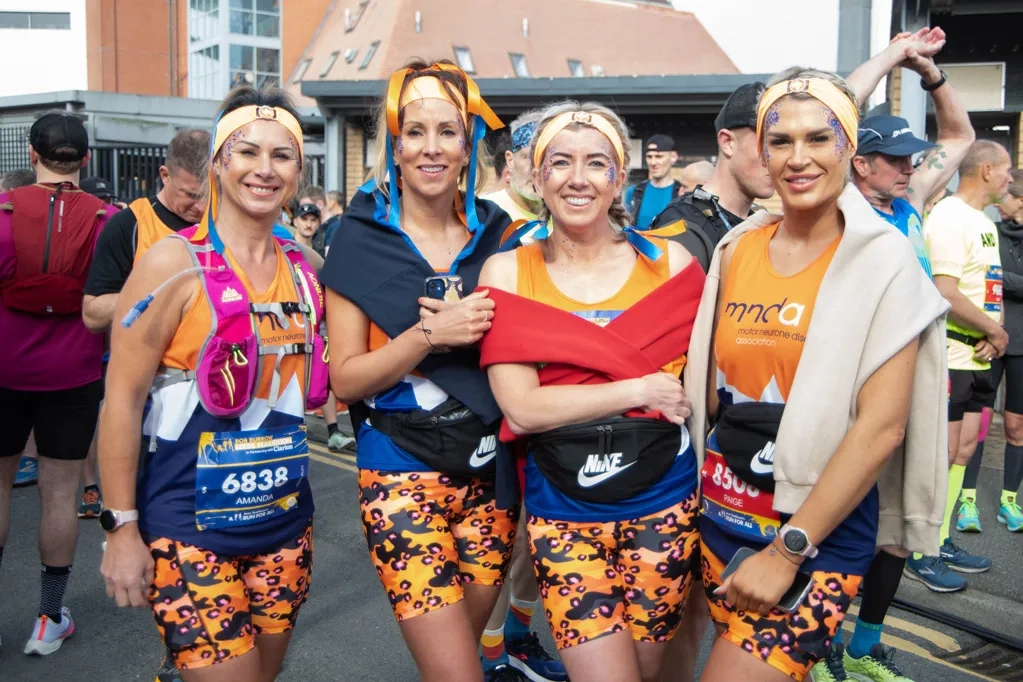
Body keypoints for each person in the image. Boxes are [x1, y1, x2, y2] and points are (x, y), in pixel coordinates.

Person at [684, 68, 949, 682]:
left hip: (812, 539)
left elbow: (881, 429)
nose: (798, 158)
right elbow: (715, 395)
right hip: (719, 520)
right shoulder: (737, 248)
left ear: (849, 148)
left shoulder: (883, 260)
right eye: (781, 141)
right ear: (762, 152)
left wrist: (787, 551)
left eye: (818, 139)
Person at [99, 86, 325, 681]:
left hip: (285, 526)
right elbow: (121, 399)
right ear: (219, 163)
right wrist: (120, 527)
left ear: (298, 172)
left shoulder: (306, 269)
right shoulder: (170, 263)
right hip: (187, 529)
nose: (264, 169)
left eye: (282, 155)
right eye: (247, 152)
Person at [478, 101, 705, 682]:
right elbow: (524, 409)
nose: (577, 178)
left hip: (664, 503)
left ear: (619, 177)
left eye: (596, 163)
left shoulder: (672, 264)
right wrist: (641, 387)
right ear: (536, 177)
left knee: (649, 672)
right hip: (563, 511)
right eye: (560, 162)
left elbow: (705, 388)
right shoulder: (507, 272)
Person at [321, 59, 519, 682]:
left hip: (491, 473)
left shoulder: (502, 236)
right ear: (395, 146)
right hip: (400, 470)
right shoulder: (358, 237)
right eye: (415, 131)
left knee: (457, 658)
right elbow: (345, 380)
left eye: (448, 131)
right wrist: (428, 335)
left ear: (468, 146)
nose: (431, 147)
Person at [807, 26, 975, 682]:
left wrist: (930, 73)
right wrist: (893, 54)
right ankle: (816, 646)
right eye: (894, 158)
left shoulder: (910, 201)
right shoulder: (838, 205)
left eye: (911, 159)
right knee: (832, 518)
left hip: (916, 388)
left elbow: (958, 135)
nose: (909, 167)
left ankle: (862, 647)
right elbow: (832, 111)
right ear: (858, 162)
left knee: (899, 530)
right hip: (851, 392)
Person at [0, 110, 117, 655]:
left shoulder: (3, 213)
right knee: (60, 493)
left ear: (32, 155)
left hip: (4, 370)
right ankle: (48, 618)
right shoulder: (108, 220)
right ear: (85, 159)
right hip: (74, 374)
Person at [913, 139, 1013, 588]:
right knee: (942, 453)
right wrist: (995, 332)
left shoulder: (984, 221)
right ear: (987, 170)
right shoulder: (950, 217)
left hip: (981, 355)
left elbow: (990, 286)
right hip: (953, 354)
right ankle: (920, 548)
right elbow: (946, 291)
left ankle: (940, 538)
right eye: (1006, 170)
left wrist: (995, 332)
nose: (1010, 179)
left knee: (965, 451)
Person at [647, 85, 775, 271]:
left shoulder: (760, 221)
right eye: (770, 143)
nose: (778, 158)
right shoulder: (682, 224)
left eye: (783, 144)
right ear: (727, 142)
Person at [987, 170, 1023, 533]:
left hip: (1022, 346)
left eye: (1005, 196)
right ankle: (966, 500)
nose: (998, 202)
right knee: (976, 425)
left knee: (1016, 426)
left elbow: (994, 275)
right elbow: (984, 273)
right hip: (989, 336)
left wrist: (1000, 277)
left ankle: (1009, 500)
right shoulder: (991, 232)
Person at [0, 167, 40, 488]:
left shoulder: (6, 225)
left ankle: (27, 457)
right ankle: (30, 456)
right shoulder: (54, 222)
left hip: (12, 339)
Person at [482, 110, 543, 223]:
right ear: (510, 160)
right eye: (528, 158)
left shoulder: (566, 216)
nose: (536, 169)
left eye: (544, 159)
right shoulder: (484, 213)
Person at [625, 134, 681, 229]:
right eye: (649, 157)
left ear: (673, 157)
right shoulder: (634, 193)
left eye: (659, 156)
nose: (653, 162)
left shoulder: (682, 194)